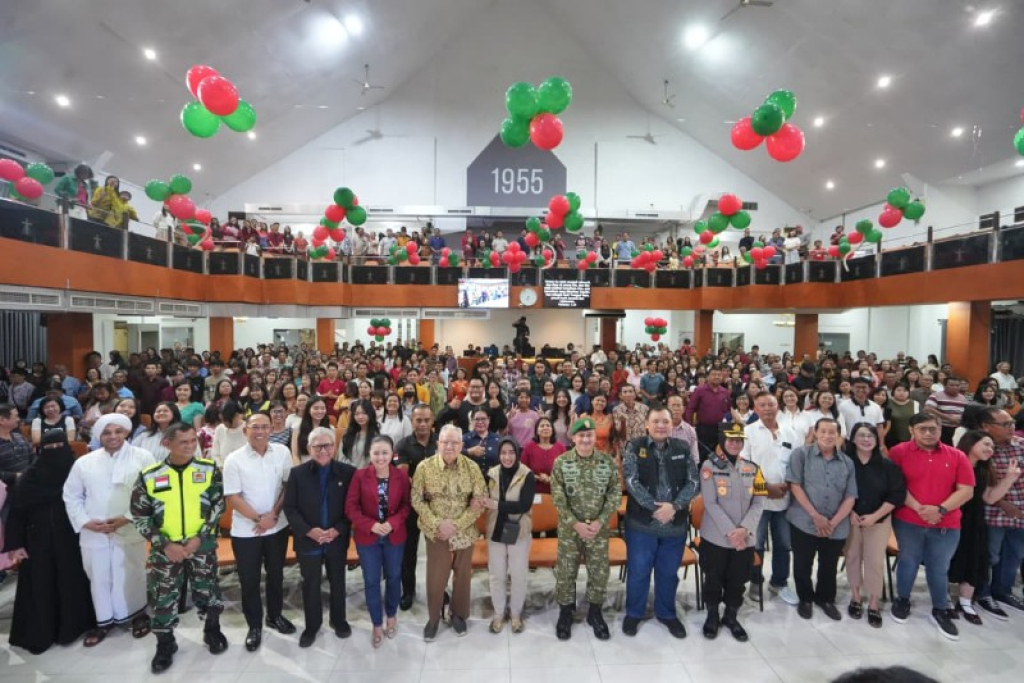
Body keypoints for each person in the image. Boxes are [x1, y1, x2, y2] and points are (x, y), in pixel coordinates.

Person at [130, 423, 228, 673]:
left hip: (201, 545)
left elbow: (218, 506)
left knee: (208, 590)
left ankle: (212, 631)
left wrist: (200, 537)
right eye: (183, 442)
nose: (189, 446)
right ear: (167, 444)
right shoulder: (150, 475)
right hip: (165, 550)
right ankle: (165, 644)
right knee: (163, 597)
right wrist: (164, 543)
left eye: (193, 441)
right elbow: (140, 515)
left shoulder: (208, 469)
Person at [62, 413, 156, 646]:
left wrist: (127, 517)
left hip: (129, 526)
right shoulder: (84, 462)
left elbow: (153, 493)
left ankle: (137, 616)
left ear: (126, 432)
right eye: (106, 432)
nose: (113, 436)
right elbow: (71, 495)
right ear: (99, 435)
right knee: (99, 575)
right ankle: (103, 621)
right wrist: (85, 521)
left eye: (118, 431)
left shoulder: (143, 457)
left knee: (131, 573)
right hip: (94, 529)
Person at [4, 430, 95, 654]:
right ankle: (42, 633)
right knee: (39, 586)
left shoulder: (80, 474)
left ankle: (74, 627)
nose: (54, 452)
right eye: (49, 448)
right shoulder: (29, 478)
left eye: (59, 447)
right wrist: (16, 545)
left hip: (72, 539)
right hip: (37, 542)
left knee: (72, 581)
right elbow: (16, 513)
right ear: (39, 451)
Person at [889, 412, 975, 640]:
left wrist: (940, 510)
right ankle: (903, 599)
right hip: (909, 520)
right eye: (922, 429)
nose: (928, 433)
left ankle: (940, 608)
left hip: (946, 523)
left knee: (939, 567)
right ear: (912, 431)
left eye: (933, 429)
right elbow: (896, 486)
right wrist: (919, 509)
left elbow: (966, 490)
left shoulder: (956, 455)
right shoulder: (898, 452)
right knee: (908, 561)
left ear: (940, 430)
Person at [621, 404, 699, 638]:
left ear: (671, 424)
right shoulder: (634, 447)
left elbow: (693, 482)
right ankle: (634, 613)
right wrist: (656, 509)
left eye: (665, 421)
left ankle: (666, 613)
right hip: (642, 523)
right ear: (647, 424)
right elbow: (631, 481)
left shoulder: (683, 447)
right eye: (656, 421)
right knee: (639, 571)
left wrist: (673, 507)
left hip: (674, 523)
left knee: (667, 572)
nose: (661, 425)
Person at [223, 412, 296, 651]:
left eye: (265, 427)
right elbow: (232, 496)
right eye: (255, 427)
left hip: (277, 526)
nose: (261, 431)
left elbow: (287, 486)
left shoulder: (282, 453)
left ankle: (274, 616)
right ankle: (254, 625)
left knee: (276, 575)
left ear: (271, 430)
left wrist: (273, 515)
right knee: (249, 579)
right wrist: (258, 518)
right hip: (246, 531)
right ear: (246, 430)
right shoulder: (234, 459)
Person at [411, 423, 486, 642]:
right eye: (445, 442)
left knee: (462, 577)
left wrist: (457, 524)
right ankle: (433, 618)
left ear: (462, 445)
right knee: (436, 577)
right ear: (438, 444)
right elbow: (416, 499)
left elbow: (480, 500)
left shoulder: (472, 468)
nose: (450, 446)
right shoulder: (424, 467)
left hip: (464, 532)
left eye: (455, 442)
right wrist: (437, 524)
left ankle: (459, 615)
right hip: (437, 533)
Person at [284, 426, 357, 648]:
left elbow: (352, 507)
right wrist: (308, 530)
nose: (323, 450)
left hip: (336, 538)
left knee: (338, 581)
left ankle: (339, 620)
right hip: (309, 539)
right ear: (309, 448)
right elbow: (290, 507)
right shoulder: (298, 473)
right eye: (318, 446)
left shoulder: (348, 472)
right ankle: (312, 626)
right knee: (310, 583)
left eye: (327, 445)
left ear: (334, 447)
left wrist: (338, 529)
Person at [551, 417, 621, 641]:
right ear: (573, 437)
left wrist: (601, 521)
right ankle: (565, 612)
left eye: (589, 435)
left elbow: (614, 494)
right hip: (570, 529)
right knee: (566, 571)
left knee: (599, 571)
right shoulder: (561, 462)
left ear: (595, 437)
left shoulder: (607, 462)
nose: (585, 439)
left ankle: (595, 612)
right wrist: (576, 523)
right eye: (581, 435)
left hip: (598, 529)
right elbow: (558, 497)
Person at [786, 417, 857, 621]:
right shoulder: (801, 454)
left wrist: (833, 522)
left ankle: (825, 599)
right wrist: (815, 516)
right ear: (815, 433)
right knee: (802, 563)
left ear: (839, 436)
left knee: (829, 564)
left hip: (836, 524)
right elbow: (795, 486)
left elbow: (851, 496)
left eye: (832, 432)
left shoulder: (847, 463)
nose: (827, 436)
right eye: (823, 431)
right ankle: (805, 598)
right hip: (804, 520)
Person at [698, 424, 764, 641]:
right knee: (714, 578)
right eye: (731, 439)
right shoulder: (709, 467)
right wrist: (732, 532)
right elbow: (710, 503)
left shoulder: (755, 468)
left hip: (745, 538)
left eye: (739, 440)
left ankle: (731, 615)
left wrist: (743, 530)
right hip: (716, 537)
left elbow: (760, 502)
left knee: (738, 580)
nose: (735, 444)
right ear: (722, 441)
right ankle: (712, 615)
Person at [346, 434, 411, 647]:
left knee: (394, 576)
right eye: (376, 453)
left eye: (385, 452)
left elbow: (406, 506)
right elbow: (351, 508)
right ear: (370, 454)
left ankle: (391, 614)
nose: (381, 457)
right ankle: (376, 622)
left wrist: (392, 522)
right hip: (368, 537)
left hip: (394, 535)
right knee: (372, 580)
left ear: (392, 454)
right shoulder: (360, 475)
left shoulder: (401, 476)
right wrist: (370, 525)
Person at [844, 423, 906, 628]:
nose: (866, 439)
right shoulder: (846, 463)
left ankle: (873, 602)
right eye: (861, 435)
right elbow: (839, 490)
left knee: (874, 561)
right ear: (853, 439)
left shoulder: (888, 466)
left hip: (878, 520)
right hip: (850, 518)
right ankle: (855, 596)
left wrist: (875, 516)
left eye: (870, 435)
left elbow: (897, 494)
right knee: (852, 557)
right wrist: (850, 511)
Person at [949, 430, 1013, 625]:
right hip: (952, 517)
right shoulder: (954, 464)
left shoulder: (983, 470)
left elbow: (989, 498)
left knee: (975, 559)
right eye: (986, 444)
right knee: (947, 559)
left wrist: (1010, 477)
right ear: (970, 443)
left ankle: (966, 601)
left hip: (975, 520)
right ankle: (944, 600)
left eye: (992, 447)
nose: (990, 449)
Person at [741, 393, 799, 605]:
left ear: (778, 407)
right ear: (755, 408)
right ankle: (755, 581)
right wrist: (766, 489)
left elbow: (796, 463)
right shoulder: (747, 432)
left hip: (784, 499)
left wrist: (787, 486)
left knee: (783, 544)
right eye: (762, 405)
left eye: (771, 404)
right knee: (756, 544)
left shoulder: (790, 433)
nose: (767, 408)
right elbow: (744, 468)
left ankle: (780, 582)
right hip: (757, 500)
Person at [973, 408, 1024, 618]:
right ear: (986, 427)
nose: (1011, 428)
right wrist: (1004, 504)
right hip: (992, 512)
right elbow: (979, 485)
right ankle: (982, 593)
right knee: (989, 556)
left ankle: (1002, 591)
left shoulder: (1021, 446)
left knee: (1013, 555)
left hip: (1020, 511)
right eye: (1005, 424)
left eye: (1012, 423)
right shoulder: (982, 449)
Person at [481, 438, 535, 634]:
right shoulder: (491, 473)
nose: (507, 457)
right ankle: (498, 612)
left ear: (517, 453)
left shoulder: (527, 474)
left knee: (518, 575)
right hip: (495, 529)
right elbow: (482, 498)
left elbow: (524, 505)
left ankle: (515, 614)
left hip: (518, 530)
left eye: (511, 452)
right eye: (503, 452)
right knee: (497, 575)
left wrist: (495, 504)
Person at [685, 368, 733, 457]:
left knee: (720, 455)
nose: (717, 377)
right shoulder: (700, 390)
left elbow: (729, 411)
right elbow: (690, 408)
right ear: (708, 377)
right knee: (703, 455)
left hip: (721, 430)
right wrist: (690, 426)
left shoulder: (725, 392)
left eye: (719, 375)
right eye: (714, 374)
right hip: (704, 430)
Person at [520, 416, 565, 495]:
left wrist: (550, 479)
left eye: (548, 426)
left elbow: (566, 472)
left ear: (552, 430)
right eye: (542, 426)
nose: (545, 428)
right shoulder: (529, 447)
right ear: (537, 431)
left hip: (557, 493)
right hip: (534, 493)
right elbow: (522, 470)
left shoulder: (561, 448)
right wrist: (536, 477)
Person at [462, 407, 501, 473]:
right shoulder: (464, 438)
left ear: (489, 419)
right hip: (471, 479)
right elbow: (454, 453)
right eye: (477, 419)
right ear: (472, 420)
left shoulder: (498, 439)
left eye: (483, 419)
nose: (480, 422)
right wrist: (469, 451)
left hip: (493, 479)